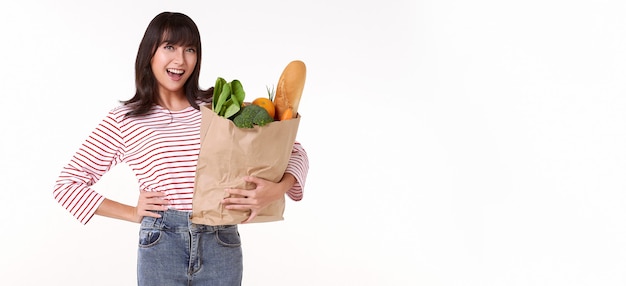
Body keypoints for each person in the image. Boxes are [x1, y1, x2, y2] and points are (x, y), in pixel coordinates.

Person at [52, 11, 308, 285]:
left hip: (221, 240)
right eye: (169, 47)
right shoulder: (125, 119)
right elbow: (67, 185)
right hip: (161, 241)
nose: (180, 60)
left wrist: (277, 188)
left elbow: (293, 149)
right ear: (149, 52)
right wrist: (131, 212)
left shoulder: (217, 107)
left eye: (190, 49)